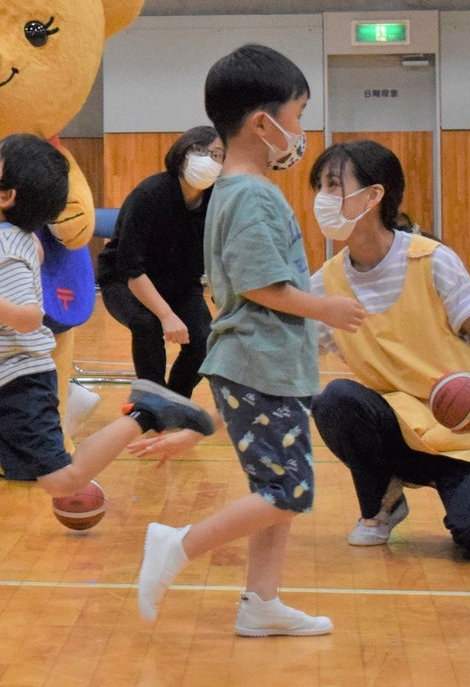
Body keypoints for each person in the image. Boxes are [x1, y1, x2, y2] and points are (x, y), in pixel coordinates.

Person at [0, 134, 214, 581]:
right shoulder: (2, 228)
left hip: (17, 382)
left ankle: (148, 411)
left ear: (5, 196)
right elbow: (29, 244)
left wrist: (8, 312)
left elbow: (34, 316)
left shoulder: (0, 253)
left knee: (63, 482)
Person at [135, 44, 366, 637]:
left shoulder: (237, 190)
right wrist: (328, 310)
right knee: (288, 490)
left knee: (278, 487)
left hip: (268, 363)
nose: (302, 131)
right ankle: (178, 546)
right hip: (256, 363)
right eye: (299, 115)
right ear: (264, 123)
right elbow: (262, 286)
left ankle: (262, 603)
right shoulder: (252, 194)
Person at [305, 141, 470, 563]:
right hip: (395, 433)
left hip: (463, 435)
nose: (322, 199)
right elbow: (293, 365)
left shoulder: (433, 260)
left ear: (373, 195)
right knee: (335, 400)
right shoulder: (325, 285)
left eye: (334, 185)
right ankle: (383, 502)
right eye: (319, 187)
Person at [98, 125, 222, 398]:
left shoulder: (217, 200)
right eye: (199, 151)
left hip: (180, 284)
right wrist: (166, 315)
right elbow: (130, 267)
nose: (208, 160)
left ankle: (174, 400)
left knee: (203, 338)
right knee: (147, 324)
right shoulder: (150, 194)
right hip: (125, 281)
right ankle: (152, 401)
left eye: (217, 155)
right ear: (183, 153)